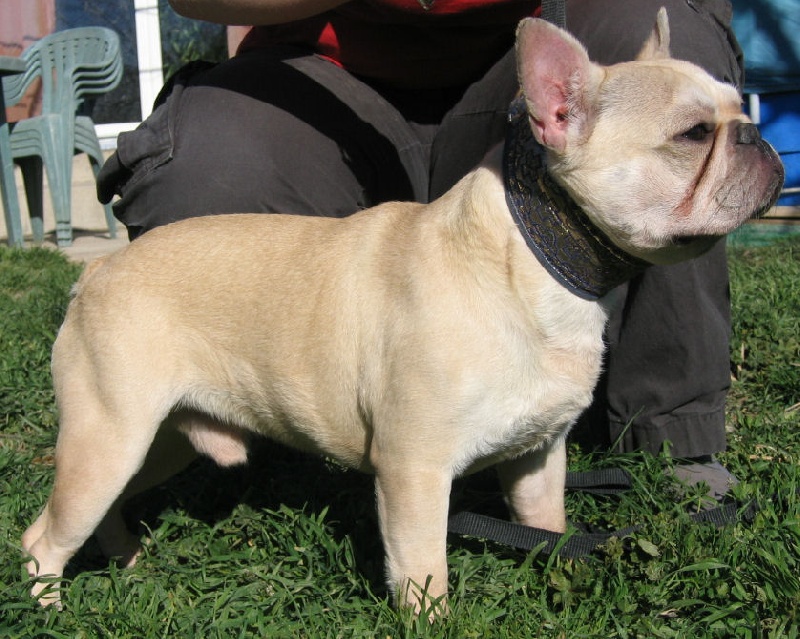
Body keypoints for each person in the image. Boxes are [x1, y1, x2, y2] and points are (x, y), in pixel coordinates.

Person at [97, 0, 743, 497]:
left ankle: (673, 434)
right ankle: (252, 417)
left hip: (512, 77)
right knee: (200, 162)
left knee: (660, 25)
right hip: (318, 83)